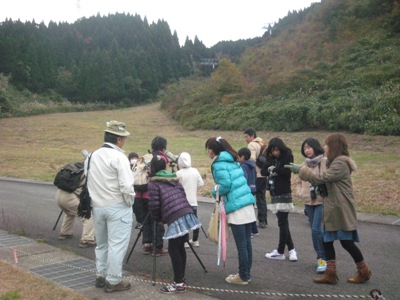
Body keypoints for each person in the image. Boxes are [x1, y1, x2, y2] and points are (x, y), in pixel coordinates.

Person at [288, 133, 372, 284]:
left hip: (340, 209)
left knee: (346, 242)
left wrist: (301, 170)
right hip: (334, 208)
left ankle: (363, 271)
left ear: (333, 146)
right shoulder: (336, 162)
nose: (324, 147)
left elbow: (321, 178)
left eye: (326, 144)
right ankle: (331, 274)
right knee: (327, 240)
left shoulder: (340, 163)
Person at [85, 120, 135, 293]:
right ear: (119, 140)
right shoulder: (119, 157)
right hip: (117, 205)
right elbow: (127, 186)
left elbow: (87, 179)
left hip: (97, 206)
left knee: (102, 243)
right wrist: (129, 203)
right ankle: (113, 280)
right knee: (117, 244)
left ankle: (101, 275)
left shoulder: (92, 155)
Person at [205, 136, 256, 285]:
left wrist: (215, 191)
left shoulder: (218, 163)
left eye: (208, 148)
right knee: (247, 243)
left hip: (236, 206)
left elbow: (225, 185)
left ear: (212, 150)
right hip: (246, 203)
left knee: (242, 244)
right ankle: (246, 273)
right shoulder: (233, 161)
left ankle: (243, 276)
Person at [148, 154, 201, 294]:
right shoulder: (174, 178)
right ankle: (180, 278)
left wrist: (158, 219)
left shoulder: (153, 183)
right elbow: (182, 194)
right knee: (179, 248)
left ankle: (178, 284)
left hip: (176, 217)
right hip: (186, 212)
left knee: (173, 249)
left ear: (152, 167)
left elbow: (154, 205)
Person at [261, 137, 297, 262]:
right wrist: (271, 169)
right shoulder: (271, 158)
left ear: (281, 148)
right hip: (274, 191)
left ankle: (281, 251)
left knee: (282, 222)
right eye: (273, 150)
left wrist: (274, 170)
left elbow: (286, 171)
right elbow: (263, 170)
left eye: (277, 150)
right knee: (283, 221)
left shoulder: (288, 155)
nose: (275, 153)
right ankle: (291, 249)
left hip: (284, 192)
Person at [294, 138, 327, 273]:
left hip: (321, 201)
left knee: (316, 230)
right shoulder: (304, 165)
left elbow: (327, 178)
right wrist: (301, 193)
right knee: (316, 232)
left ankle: (322, 258)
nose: (306, 150)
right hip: (308, 201)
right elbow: (298, 182)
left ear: (315, 147)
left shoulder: (324, 162)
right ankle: (324, 257)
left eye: (309, 147)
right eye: (304, 148)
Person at [140, 136, 168, 256]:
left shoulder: (146, 157)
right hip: (156, 194)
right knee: (158, 220)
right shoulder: (163, 158)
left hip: (141, 194)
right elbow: (163, 176)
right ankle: (158, 248)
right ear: (164, 146)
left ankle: (147, 245)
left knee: (145, 221)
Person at [56, 175, 96, 248]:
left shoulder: (78, 172)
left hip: (59, 194)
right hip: (69, 197)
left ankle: (65, 232)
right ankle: (87, 240)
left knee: (69, 213)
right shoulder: (89, 174)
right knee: (88, 216)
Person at [176, 152, 204, 247]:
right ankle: (195, 240)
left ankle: (185, 241)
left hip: (182, 202)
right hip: (193, 201)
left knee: (184, 222)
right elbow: (201, 183)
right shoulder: (195, 171)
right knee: (194, 221)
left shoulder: (178, 173)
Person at [244, 128, 268, 228]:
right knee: (261, 198)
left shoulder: (251, 145)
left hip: (255, 175)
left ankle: (249, 220)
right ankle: (263, 220)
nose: (245, 139)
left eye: (246, 137)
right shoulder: (262, 143)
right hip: (264, 174)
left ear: (252, 136)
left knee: (250, 197)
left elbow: (252, 158)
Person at [238, 147, 259, 237]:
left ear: (242, 157)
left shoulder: (243, 166)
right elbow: (255, 177)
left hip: (246, 190)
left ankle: (250, 231)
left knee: (246, 211)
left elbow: (244, 179)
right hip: (253, 188)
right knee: (251, 209)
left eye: (238, 157)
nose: (238, 159)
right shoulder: (252, 165)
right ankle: (254, 230)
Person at [128, 152, 143, 229]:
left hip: (139, 189)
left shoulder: (140, 167)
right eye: (132, 158)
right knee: (135, 208)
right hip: (130, 189)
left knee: (139, 207)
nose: (134, 159)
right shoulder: (127, 168)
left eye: (135, 158)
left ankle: (140, 221)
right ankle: (139, 221)